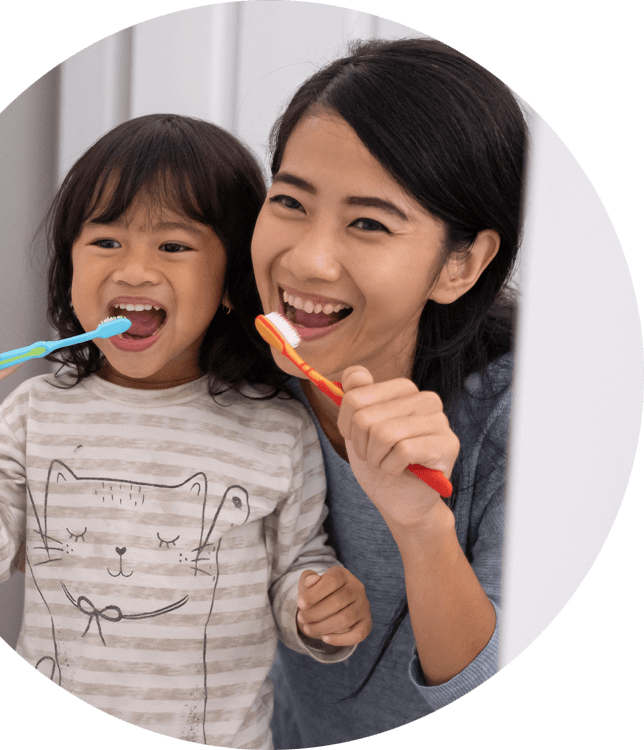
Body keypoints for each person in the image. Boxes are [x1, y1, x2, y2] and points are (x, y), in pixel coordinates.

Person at [0, 114, 372, 747]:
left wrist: (316, 607)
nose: (134, 271)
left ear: (233, 283)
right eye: (105, 242)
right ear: (68, 270)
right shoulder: (36, 414)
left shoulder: (277, 430)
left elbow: (295, 567)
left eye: (174, 246)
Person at [251, 38, 525, 744]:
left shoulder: (517, 417)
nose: (308, 259)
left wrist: (418, 523)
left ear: (460, 264)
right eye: (289, 201)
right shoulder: (241, 370)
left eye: (368, 223)